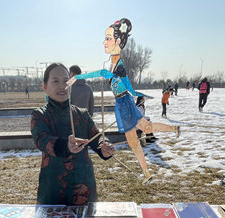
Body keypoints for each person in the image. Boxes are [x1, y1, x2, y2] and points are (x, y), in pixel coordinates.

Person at [67, 18, 180, 184]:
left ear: (118, 41)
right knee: (137, 137)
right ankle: (147, 172)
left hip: (125, 104)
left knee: (142, 132)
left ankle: (172, 130)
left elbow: (127, 87)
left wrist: (138, 96)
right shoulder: (112, 67)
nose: (104, 42)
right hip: (121, 105)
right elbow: (99, 73)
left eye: (108, 38)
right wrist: (77, 77)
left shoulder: (119, 67)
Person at [31, 63, 114, 205]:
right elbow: (42, 140)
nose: (62, 85)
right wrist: (66, 145)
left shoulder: (82, 114)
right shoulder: (40, 115)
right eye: (55, 81)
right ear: (44, 86)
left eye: (66, 80)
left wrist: (104, 146)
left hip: (84, 186)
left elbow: (96, 136)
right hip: (54, 188)